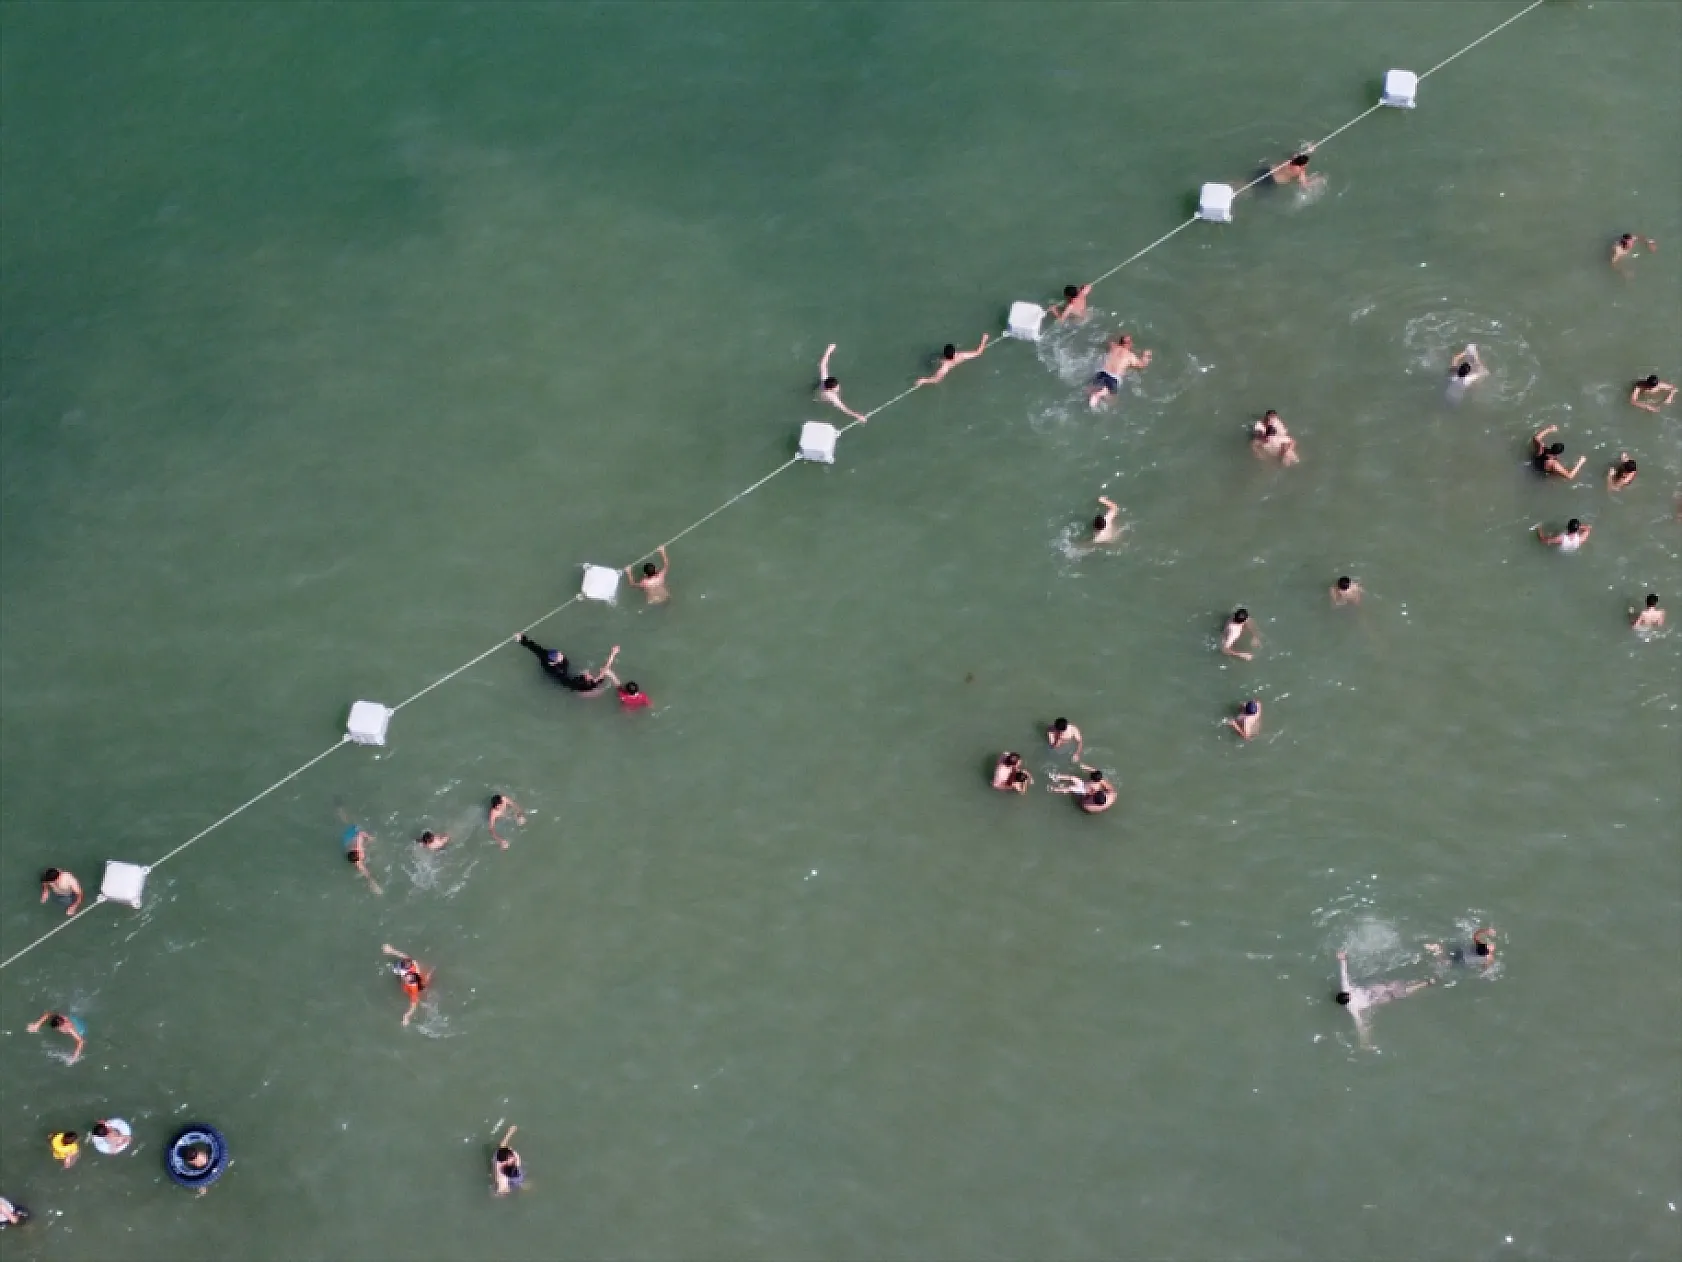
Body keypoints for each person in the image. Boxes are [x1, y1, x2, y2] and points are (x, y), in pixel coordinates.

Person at [1335, 950, 1434, 1049]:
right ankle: (1425, 983)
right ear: (1347, 1001)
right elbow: (1359, 1025)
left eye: (1348, 994)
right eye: (1349, 997)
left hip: (1372, 990)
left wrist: (1343, 959)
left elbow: (1344, 974)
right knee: (1395, 995)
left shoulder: (1346, 988)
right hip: (1375, 1000)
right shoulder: (1352, 1007)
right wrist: (1365, 1041)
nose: (1350, 994)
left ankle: (1417, 979)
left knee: (1391, 986)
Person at [1087, 333, 1152, 409]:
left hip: (1102, 372)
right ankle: (1099, 394)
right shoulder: (1130, 356)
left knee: (1092, 388)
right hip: (1114, 378)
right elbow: (1142, 365)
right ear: (1130, 344)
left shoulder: (1113, 346)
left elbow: (1109, 340)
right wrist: (1146, 355)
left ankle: (1094, 394)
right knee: (1112, 401)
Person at [382, 945, 432, 1027]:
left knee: (422, 991)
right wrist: (391, 950)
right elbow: (405, 956)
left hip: (417, 988)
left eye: (408, 978)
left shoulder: (413, 988)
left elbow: (414, 1005)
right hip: (413, 980)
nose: (407, 977)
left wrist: (406, 1016)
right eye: (407, 976)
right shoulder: (411, 967)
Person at [816, 344, 868, 423]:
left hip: (819, 389)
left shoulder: (824, 379)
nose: (838, 387)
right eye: (836, 388)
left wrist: (829, 350)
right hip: (823, 400)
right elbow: (844, 409)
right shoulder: (832, 397)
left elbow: (823, 364)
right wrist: (858, 416)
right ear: (830, 389)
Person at [915, 335, 990, 388]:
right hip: (956, 362)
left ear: (945, 355)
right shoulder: (961, 355)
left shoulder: (945, 365)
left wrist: (924, 380)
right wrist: (984, 340)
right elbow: (978, 352)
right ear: (954, 353)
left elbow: (936, 379)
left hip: (947, 364)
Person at [1048, 766, 1115, 814]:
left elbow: (1080, 802)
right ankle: (1056, 777)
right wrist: (1095, 777)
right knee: (1073, 778)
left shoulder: (1089, 807)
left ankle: (1054, 789)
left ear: (1093, 799)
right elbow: (1103, 782)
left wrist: (1083, 794)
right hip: (1085, 790)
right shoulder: (1111, 795)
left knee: (1070, 788)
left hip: (1083, 792)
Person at [1426, 927, 1496, 972]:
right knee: (1447, 962)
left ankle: (1437, 949)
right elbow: (1485, 967)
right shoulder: (1489, 957)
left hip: (1461, 952)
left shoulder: (1481, 946)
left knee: (1447, 956)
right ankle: (1438, 952)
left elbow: (1475, 935)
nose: (1491, 945)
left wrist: (1485, 931)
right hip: (1463, 960)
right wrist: (1484, 968)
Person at [342, 825, 381, 894]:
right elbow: (367, 874)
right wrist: (374, 885)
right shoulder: (357, 862)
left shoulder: (358, 844)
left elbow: (360, 834)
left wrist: (369, 838)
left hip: (351, 835)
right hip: (348, 842)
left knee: (352, 824)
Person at [492, 1125, 524, 1196]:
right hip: (508, 1182)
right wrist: (507, 1190)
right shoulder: (502, 1177)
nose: (514, 1159)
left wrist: (511, 1131)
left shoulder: (513, 1160)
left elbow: (503, 1145)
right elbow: (499, 1192)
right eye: (511, 1159)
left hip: (513, 1176)